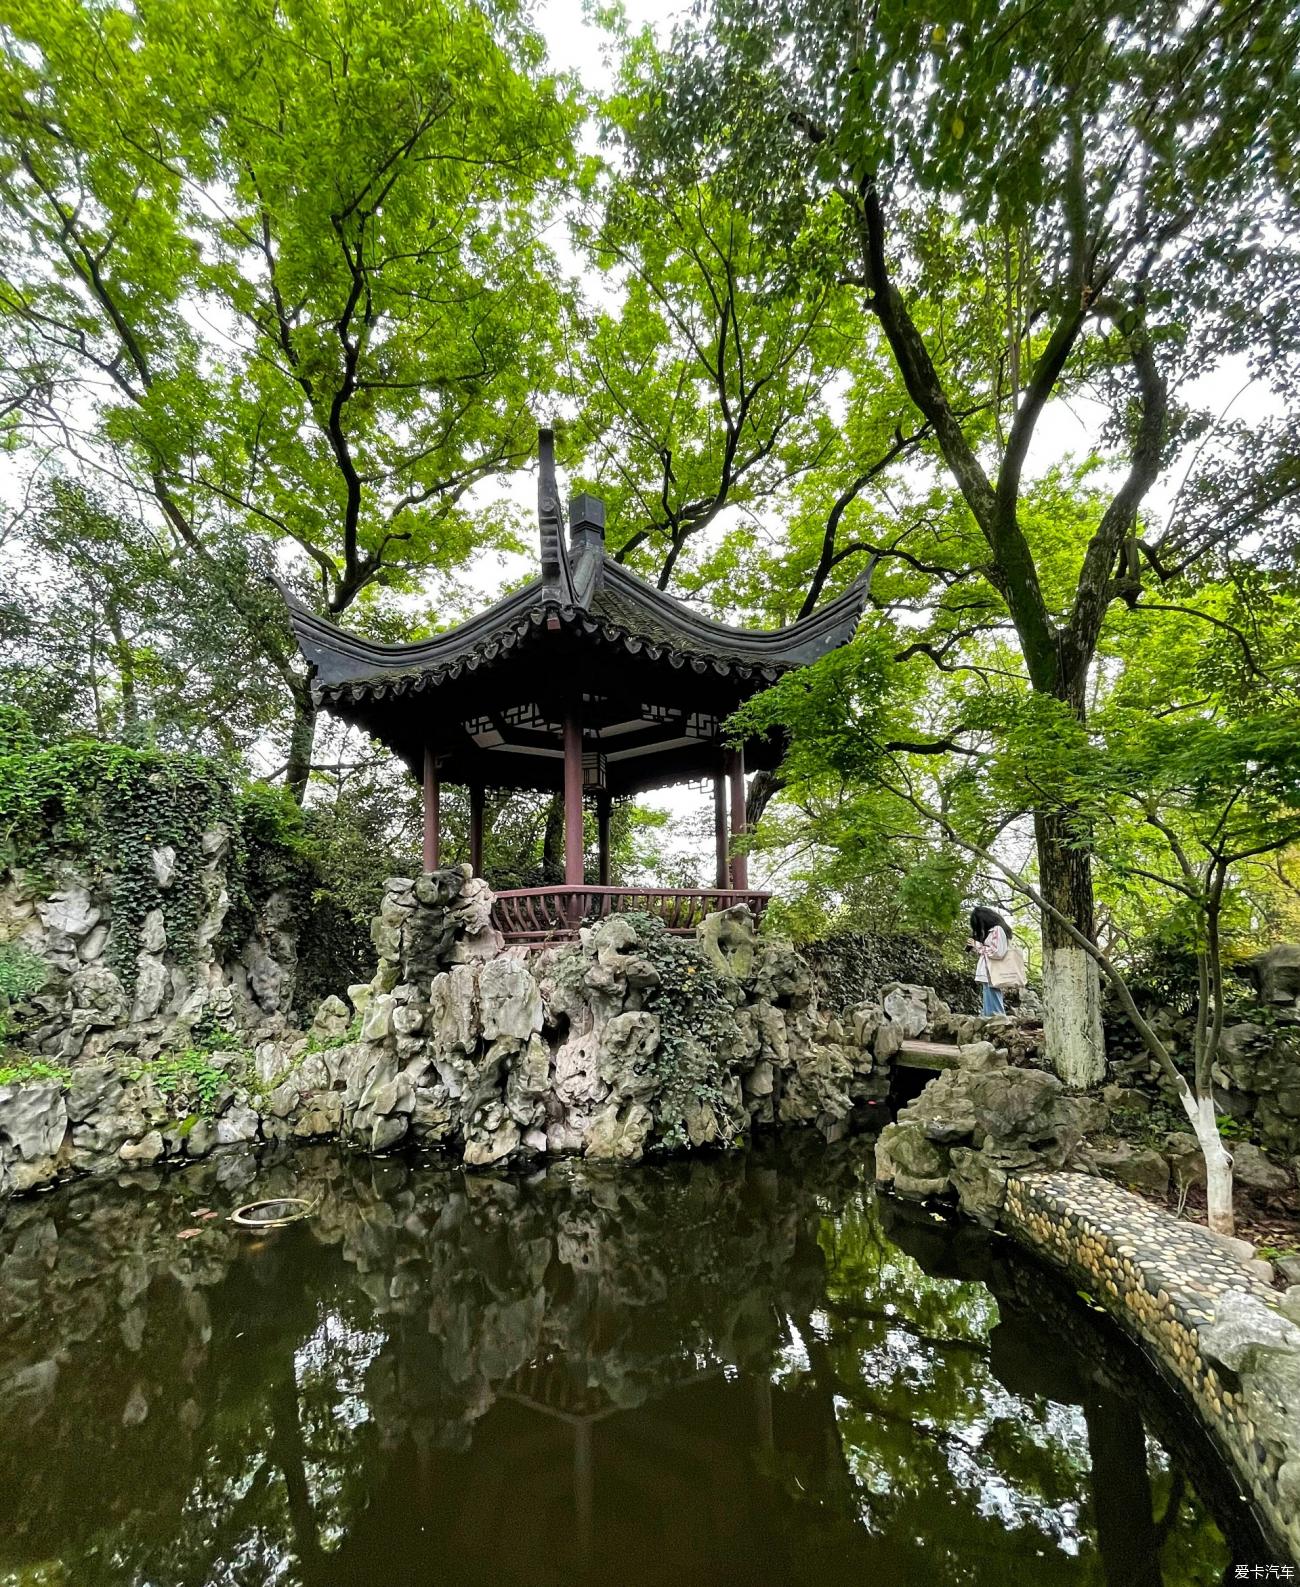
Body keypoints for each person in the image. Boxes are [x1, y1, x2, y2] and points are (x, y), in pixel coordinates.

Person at [968, 906, 1014, 1015]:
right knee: (989, 1000)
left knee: (994, 1003)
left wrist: (977, 945)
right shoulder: (992, 931)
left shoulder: (997, 930)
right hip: (989, 972)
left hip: (993, 972)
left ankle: (998, 1024)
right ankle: (991, 1022)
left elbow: (997, 952)